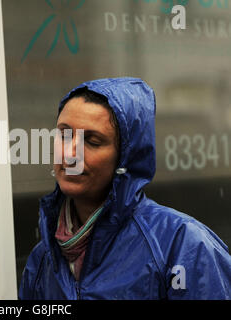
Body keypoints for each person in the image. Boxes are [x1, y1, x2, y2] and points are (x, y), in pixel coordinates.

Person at [19, 78, 231, 299]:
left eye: (92, 141)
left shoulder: (182, 246)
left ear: (126, 156)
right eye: (64, 135)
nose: (71, 154)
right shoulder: (43, 259)